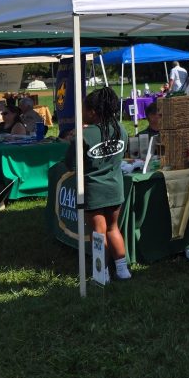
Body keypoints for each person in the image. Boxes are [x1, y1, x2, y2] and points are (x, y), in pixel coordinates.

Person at [67, 86, 130, 280]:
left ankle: (101, 272)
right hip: (115, 187)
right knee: (113, 228)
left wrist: (72, 140)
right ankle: (122, 270)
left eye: (84, 109)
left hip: (94, 189)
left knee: (98, 233)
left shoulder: (83, 136)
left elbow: (71, 163)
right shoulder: (121, 129)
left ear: (93, 112)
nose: (82, 113)